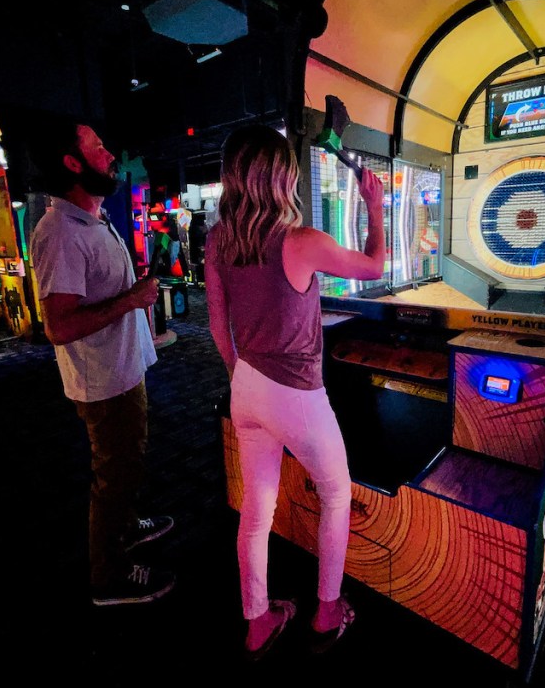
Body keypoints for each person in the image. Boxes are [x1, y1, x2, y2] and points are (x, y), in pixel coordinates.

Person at [205, 125, 385, 659]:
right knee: (336, 492)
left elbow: (219, 326)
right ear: (281, 176)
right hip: (298, 395)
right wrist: (374, 206)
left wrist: (245, 375)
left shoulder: (220, 238)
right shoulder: (300, 240)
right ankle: (326, 609)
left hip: (246, 386)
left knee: (257, 512)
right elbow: (374, 267)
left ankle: (258, 619)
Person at [28, 118, 175, 606]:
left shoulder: (92, 218)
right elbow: (59, 327)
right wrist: (131, 301)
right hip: (103, 381)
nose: (110, 155)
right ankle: (108, 577)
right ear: (73, 162)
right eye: (98, 147)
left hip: (122, 367)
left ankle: (128, 526)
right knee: (113, 475)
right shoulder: (61, 232)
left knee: (127, 465)